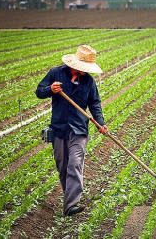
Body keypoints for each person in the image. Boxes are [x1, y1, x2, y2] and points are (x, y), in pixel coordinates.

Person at [36, 45, 108, 216]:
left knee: (75, 164)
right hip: (59, 128)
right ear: (74, 64)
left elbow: (95, 103)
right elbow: (39, 92)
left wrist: (101, 123)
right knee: (63, 167)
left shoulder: (89, 81)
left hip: (79, 129)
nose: (84, 71)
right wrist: (50, 90)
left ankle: (70, 206)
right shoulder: (56, 73)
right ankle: (69, 198)